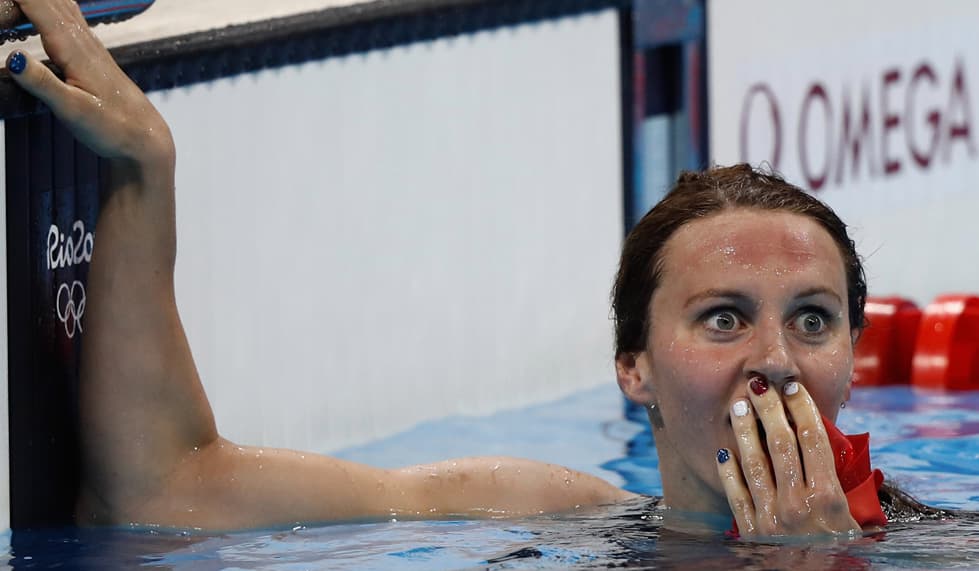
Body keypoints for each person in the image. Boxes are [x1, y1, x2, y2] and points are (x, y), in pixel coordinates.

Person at [4, 0, 937, 537]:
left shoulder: (932, 552)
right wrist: (143, 171)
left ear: (855, 355)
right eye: (723, 317)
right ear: (633, 366)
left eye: (812, 318)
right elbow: (165, 491)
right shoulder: (546, 512)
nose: (775, 356)